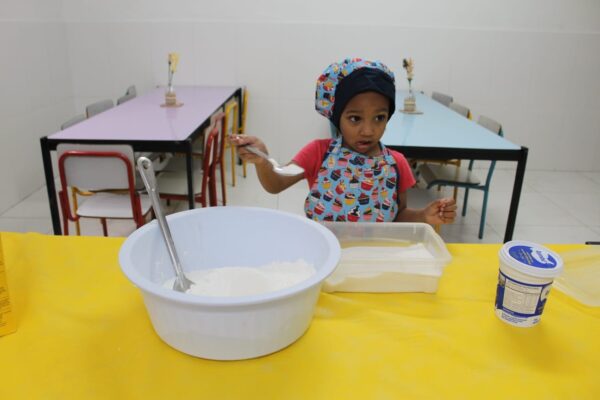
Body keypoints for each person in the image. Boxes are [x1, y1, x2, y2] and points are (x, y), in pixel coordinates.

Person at [230, 57, 456, 224]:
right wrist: (263, 160)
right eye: (355, 118)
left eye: (379, 118)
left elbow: (398, 215)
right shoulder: (318, 152)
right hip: (325, 252)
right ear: (337, 118)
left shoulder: (397, 164)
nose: (368, 130)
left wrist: (423, 216)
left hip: (373, 255)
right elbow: (277, 182)